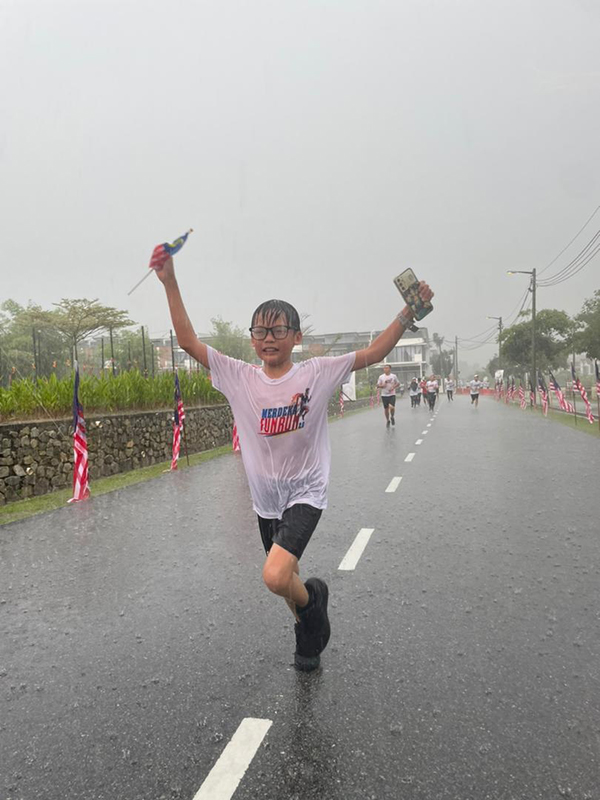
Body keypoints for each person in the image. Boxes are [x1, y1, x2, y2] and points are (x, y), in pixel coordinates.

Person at [156, 255, 433, 672]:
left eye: (279, 330)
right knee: (286, 579)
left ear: (296, 336)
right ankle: (308, 627)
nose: (269, 338)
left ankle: (314, 604)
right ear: (252, 339)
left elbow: (375, 352)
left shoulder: (317, 373)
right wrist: (170, 282)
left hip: (306, 490)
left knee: (273, 575)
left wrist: (409, 310)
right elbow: (188, 341)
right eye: (261, 331)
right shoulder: (238, 376)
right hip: (265, 499)